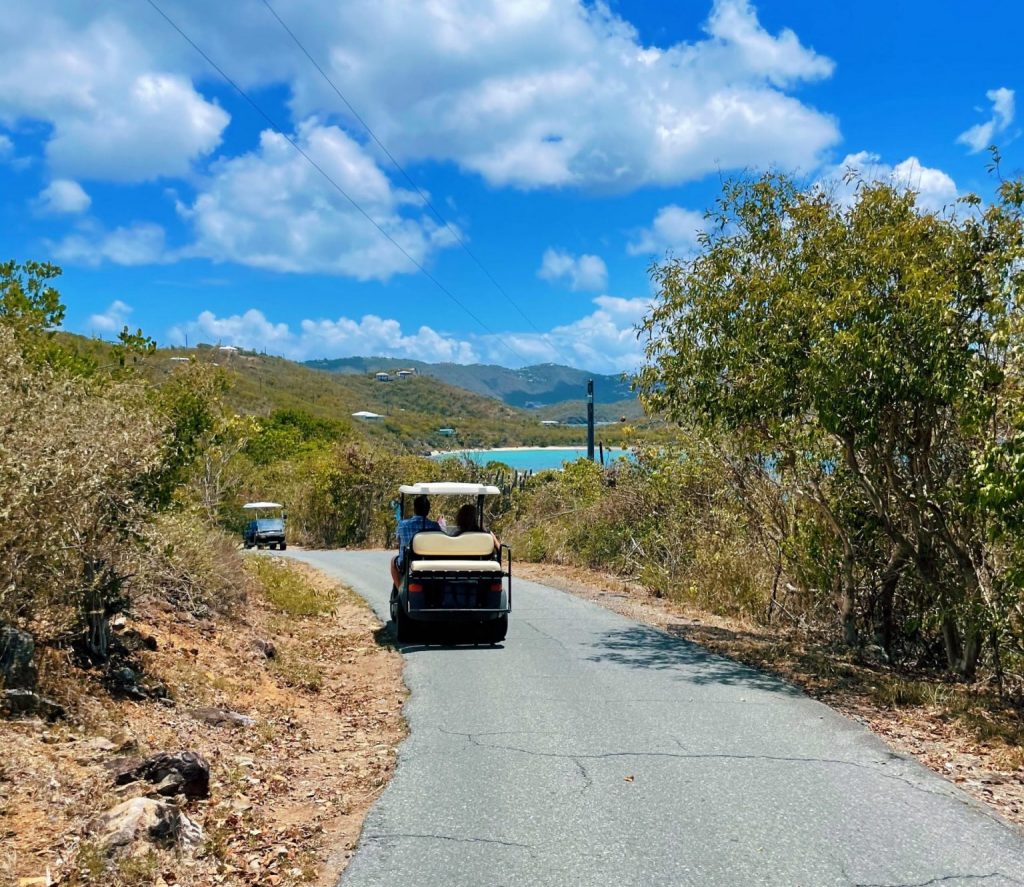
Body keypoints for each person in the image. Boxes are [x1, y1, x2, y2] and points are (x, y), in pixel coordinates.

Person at [390, 495, 442, 588]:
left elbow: (399, 540)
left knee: (393, 561)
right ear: (428, 510)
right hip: (429, 562)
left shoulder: (402, 524)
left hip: (407, 562)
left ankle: (399, 590)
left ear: (414, 509)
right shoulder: (435, 526)